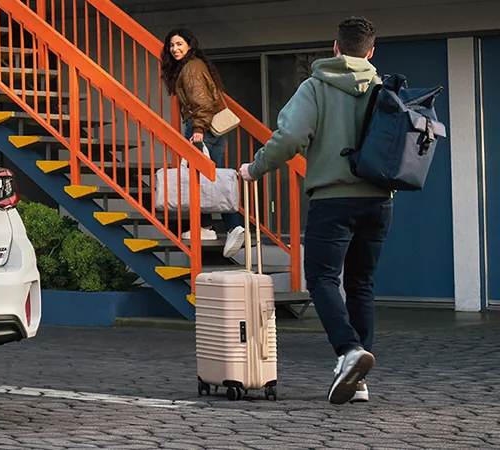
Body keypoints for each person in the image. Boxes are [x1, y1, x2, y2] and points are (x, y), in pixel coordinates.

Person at [240, 16, 385, 405]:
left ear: (334, 47)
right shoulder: (382, 88)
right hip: (379, 200)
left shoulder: (316, 86)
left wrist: (254, 169)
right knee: (361, 284)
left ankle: (349, 351)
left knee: (321, 278)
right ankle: (358, 381)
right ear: (370, 52)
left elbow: (288, 137)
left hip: (332, 198)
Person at [161, 28, 247, 258]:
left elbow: (201, 101)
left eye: (179, 44)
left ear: (190, 45)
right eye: (171, 45)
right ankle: (207, 227)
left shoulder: (190, 69)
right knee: (212, 177)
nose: (175, 49)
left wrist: (198, 129)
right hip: (215, 127)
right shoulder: (196, 65)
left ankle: (233, 226)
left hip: (202, 127)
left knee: (205, 180)